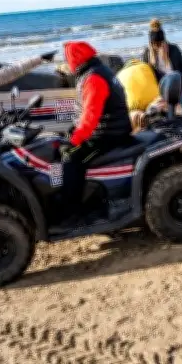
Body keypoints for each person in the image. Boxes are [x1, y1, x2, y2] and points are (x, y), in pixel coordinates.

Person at [54, 41, 133, 234]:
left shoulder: (93, 78)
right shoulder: (95, 71)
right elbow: (84, 114)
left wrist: (73, 141)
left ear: (75, 59)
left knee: (71, 159)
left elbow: (90, 118)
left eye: (67, 59)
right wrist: (69, 131)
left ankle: (72, 215)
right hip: (108, 128)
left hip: (108, 133)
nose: (66, 64)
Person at [141, 19, 182, 114]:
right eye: (155, 44)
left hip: (178, 86)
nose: (158, 46)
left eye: (160, 44)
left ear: (164, 41)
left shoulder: (174, 49)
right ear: (151, 43)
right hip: (159, 90)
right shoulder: (147, 54)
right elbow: (145, 75)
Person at [116, 58, 182, 132]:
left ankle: (144, 116)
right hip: (152, 100)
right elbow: (162, 82)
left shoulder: (118, 75)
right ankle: (151, 111)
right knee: (163, 103)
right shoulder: (147, 66)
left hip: (133, 107)